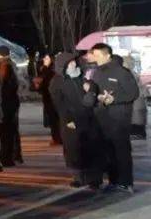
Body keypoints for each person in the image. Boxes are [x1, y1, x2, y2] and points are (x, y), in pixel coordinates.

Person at [88, 43, 139, 192]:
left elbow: (133, 93)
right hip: (102, 118)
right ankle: (113, 180)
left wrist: (114, 100)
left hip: (119, 119)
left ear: (107, 55)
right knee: (108, 151)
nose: (95, 58)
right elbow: (95, 91)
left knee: (121, 151)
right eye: (94, 55)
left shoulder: (121, 72)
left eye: (98, 55)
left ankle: (125, 182)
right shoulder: (96, 72)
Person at [49, 52, 103, 189]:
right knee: (74, 150)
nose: (74, 64)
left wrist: (90, 88)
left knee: (92, 148)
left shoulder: (82, 77)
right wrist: (68, 120)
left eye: (74, 61)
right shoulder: (57, 82)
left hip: (89, 118)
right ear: (64, 66)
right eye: (70, 62)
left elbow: (93, 92)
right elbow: (59, 104)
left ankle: (94, 179)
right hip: (71, 121)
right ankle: (79, 177)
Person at [0, 46, 22, 166]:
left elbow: (3, 87)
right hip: (11, 103)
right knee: (11, 131)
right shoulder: (10, 65)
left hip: (6, 104)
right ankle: (12, 156)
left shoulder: (4, 66)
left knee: (5, 131)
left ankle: (6, 157)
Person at [36, 53, 62, 144]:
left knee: (54, 119)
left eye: (47, 58)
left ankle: (57, 138)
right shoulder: (45, 68)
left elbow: (44, 81)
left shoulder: (50, 70)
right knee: (53, 119)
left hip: (51, 97)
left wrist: (39, 85)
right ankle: (57, 137)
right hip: (48, 97)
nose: (44, 60)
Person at [121, 55, 147, 140]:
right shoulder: (133, 73)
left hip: (134, 104)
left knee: (135, 123)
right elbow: (144, 90)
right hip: (139, 103)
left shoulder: (128, 74)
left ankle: (138, 134)